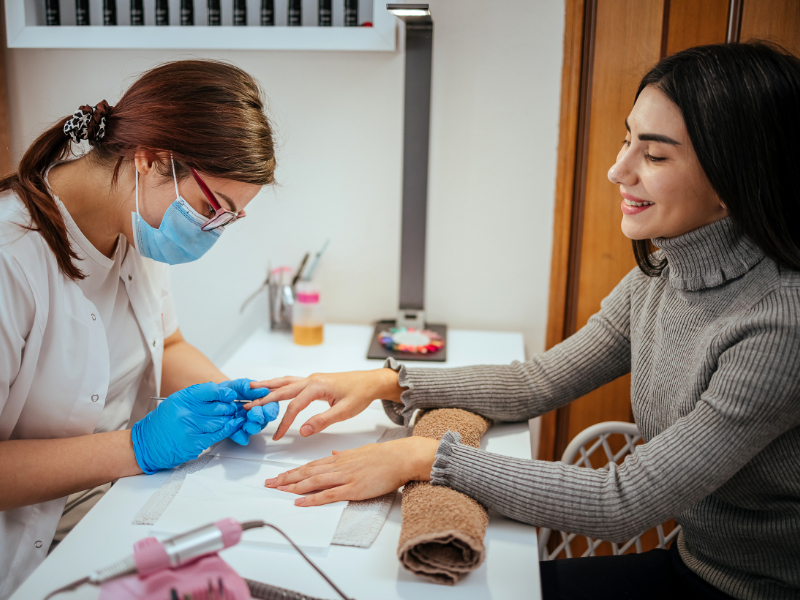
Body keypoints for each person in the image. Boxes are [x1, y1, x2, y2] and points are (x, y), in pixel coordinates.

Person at [244, 42, 800, 599]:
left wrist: (422, 456)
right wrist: (385, 380)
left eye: (653, 157)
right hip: (694, 562)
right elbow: (537, 381)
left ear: (735, 181)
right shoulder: (659, 276)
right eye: (628, 139)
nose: (617, 169)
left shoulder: (779, 324)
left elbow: (621, 500)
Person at [0, 60, 281, 599]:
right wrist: (138, 447)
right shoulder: (12, 259)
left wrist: (231, 396)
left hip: (113, 512)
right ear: (151, 160)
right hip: (27, 553)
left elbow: (168, 343)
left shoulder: (138, 226)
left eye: (229, 220)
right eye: (211, 209)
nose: (211, 233)